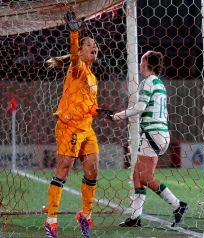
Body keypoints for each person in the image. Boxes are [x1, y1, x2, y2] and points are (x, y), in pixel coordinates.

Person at [43, 12, 113, 238]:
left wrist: (100, 111)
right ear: (81, 51)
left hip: (86, 128)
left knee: (92, 171)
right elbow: (73, 56)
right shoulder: (77, 68)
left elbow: (89, 106)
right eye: (89, 45)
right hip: (69, 126)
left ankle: (85, 215)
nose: (94, 48)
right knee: (63, 169)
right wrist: (75, 33)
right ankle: (51, 220)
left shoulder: (93, 78)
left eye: (96, 46)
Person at [109, 50, 188, 228]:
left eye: (140, 60)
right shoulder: (159, 83)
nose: (139, 64)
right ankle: (136, 218)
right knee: (138, 176)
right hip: (159, 133)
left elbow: (140, 107)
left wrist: (117, 116)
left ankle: (177, 205)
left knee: (145, 177)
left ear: (145, 62)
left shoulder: (148, 82)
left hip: (153, 134)